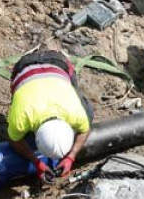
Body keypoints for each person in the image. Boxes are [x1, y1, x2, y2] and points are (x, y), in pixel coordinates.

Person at [7, 49, 92, 181]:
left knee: (88, 114)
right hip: (24, 67)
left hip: (57, 64)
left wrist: (71, 156)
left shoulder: (75, 113)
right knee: (19, 132)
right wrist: (36, 162)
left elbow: (85, 130)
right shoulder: (21, 117)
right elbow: (14, 140)